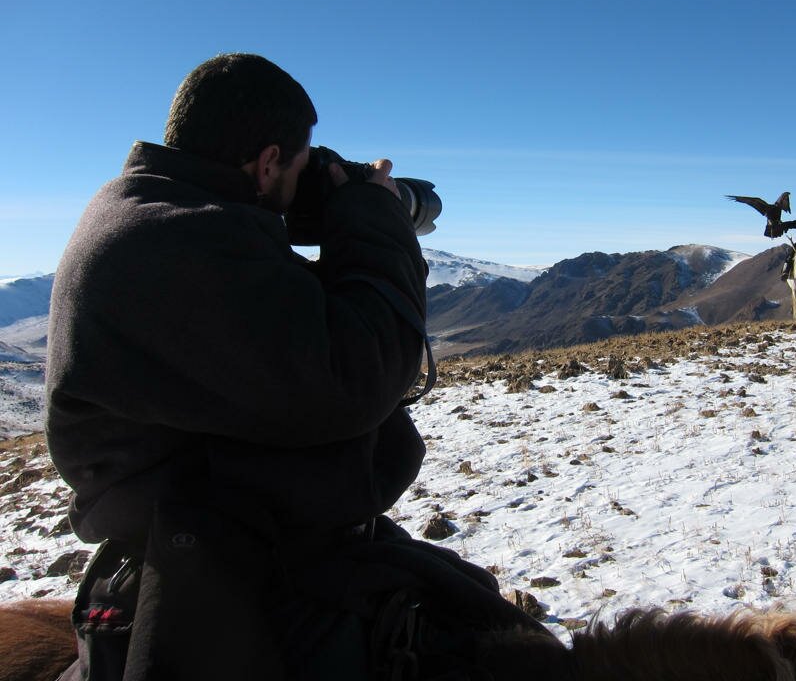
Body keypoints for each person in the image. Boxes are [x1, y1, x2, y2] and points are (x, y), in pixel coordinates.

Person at [46, 54, 543, 680]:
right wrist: (372, 216)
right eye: (299, 165)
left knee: (478, 610)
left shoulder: (159, 211)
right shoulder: (176, 237)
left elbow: (285, 322)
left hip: (235, 522)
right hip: (212, 547)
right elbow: (360, 376)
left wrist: (325, 198)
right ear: (267, 160)